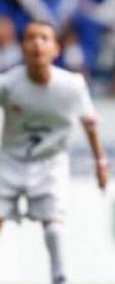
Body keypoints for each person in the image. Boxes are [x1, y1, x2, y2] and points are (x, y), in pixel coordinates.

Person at [0, 20, 108, 284]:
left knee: (54, 230)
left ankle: (59, 277)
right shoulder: (7, 84)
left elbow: (90, 124)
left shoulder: (71, 85)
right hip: (9, 161)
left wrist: (100, 162)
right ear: (22, 48)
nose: (37, 43)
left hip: (50, 163)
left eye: (44, 38)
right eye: (30, 38)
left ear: (56, 49)